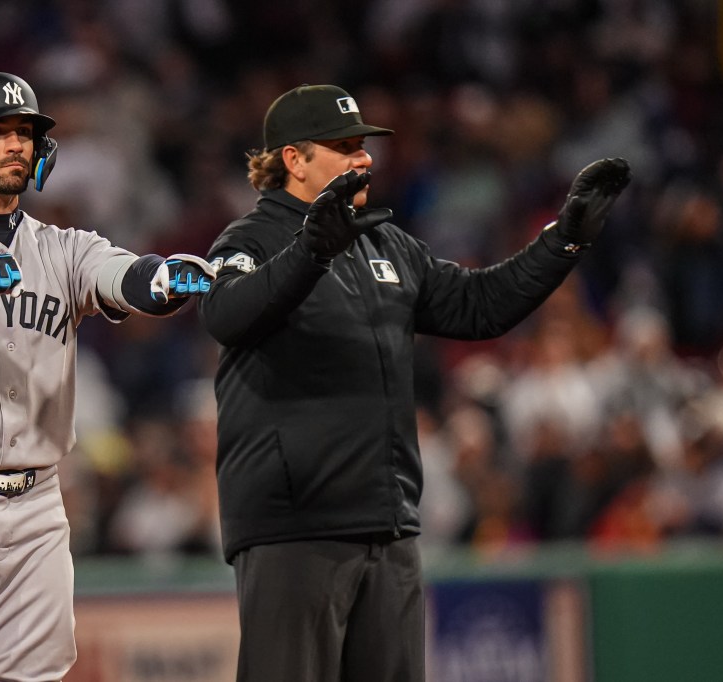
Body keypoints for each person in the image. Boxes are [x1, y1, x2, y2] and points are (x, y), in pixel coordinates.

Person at [196, 83, 631, 682]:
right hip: (295, 527)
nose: (365, 157)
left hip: (388, 525)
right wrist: (310, 252)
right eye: (345, 146)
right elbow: (225, 314)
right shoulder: (249, 240)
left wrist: (564, 241)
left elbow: (479, 306)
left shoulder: (384, 241)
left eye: (364, 145)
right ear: (294, 159)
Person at [0, 71, 215, 682]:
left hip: (37, 505)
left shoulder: (64, 249)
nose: (14, 144)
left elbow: (122, 275)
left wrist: (161, 280)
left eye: (23, 133)